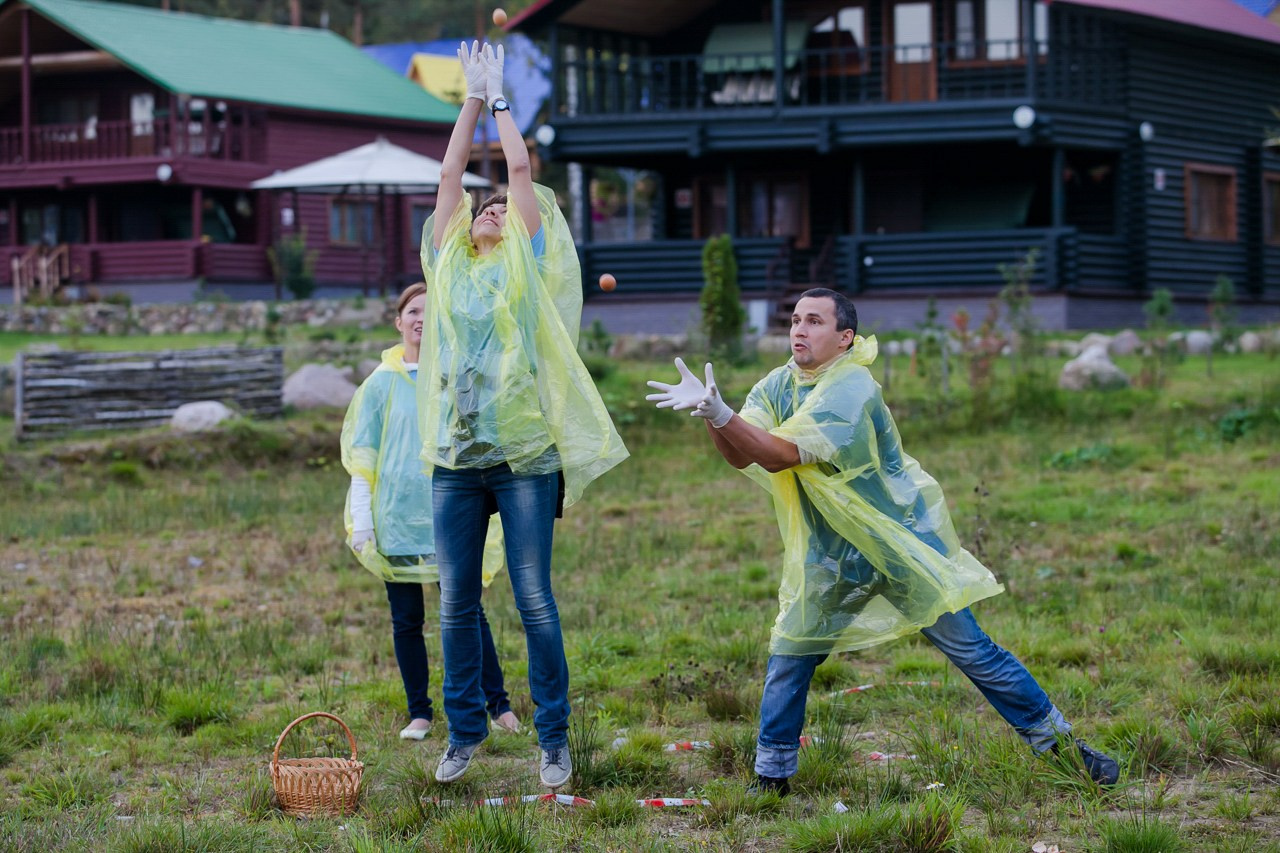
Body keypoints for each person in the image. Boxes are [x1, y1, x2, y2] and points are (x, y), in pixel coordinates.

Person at [645, 288, 1120, 795]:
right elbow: (744, 455)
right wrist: (712, 413)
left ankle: (1066, 750)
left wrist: (723, 417)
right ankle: (771, 778)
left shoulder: (852, 388)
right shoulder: (779, 384)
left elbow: (781, 454)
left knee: (974, 652)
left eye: (814, 322)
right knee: (790, 654)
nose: (799, 330)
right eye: (795, 320)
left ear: (844, 338)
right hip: (831, 554)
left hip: (897, 544)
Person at [417, 41, 628, 788]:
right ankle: (464, 733)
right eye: (487, 206)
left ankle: (554, 738)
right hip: (455, 457)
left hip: (525, 456)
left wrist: (502, 100)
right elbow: (450, 175)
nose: (495, 207)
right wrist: (467, 98)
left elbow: (521, 171)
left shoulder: (525, 267)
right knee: (455, 602)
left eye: (505, 209)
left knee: (535, 597)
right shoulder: (446, 263)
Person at [340, 282, 521, 742]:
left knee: (466, 611)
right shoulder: (379, 386)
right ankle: (419, 712)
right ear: (398, 321)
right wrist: (363, 520)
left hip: (451, 515)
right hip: (397, 519)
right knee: (406, 620)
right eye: (412, 310)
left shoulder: (455, 377)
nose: (421, 318)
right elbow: (363, 457)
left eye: (431, 310)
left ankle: (497, 704)